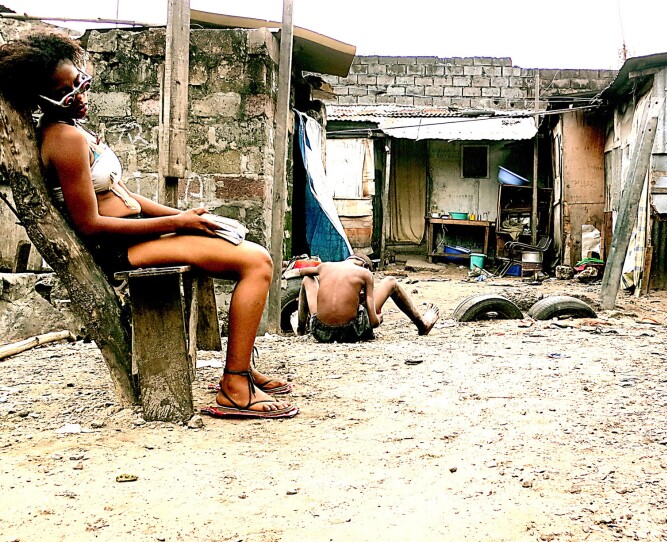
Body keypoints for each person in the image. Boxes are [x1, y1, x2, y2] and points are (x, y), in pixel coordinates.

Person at [0, 33, 296, 418]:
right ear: (40, 97)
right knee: (257, 262)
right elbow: (90, 225)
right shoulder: (64, 138)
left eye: (78, 81)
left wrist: (183, 216)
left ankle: (243, 367)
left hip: (135, 231)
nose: (79, 93)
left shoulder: (76, 131)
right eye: (65, 90)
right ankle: (235, 386)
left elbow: (125, 196)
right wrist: (178, 222)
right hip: (118, 248)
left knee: (236, 239)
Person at [292, 254, 439, 343]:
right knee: (390, 282)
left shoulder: (326, 266)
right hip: (350, 332)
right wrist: (380, 318)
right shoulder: (365, 273)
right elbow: (374, 323)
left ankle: (301, 330)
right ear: (366, 266)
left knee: (308, 279)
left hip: (320, 332)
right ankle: (422, 325)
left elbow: (302, 272)